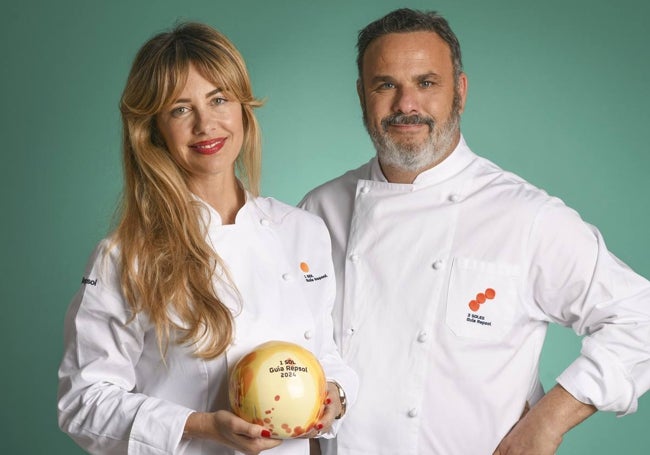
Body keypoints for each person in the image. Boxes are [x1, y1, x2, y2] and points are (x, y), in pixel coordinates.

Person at [299, 8, 650, 455]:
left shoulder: (525, 216)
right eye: (386, 84)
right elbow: (295, 350)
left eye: (427, 83)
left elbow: (641, 316)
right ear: (361, 95)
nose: (406, 104)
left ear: (459, 92)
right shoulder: (318, 211)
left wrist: (546, 423)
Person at [57, 22, 357, 455]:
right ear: (154, 130)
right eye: (180, 109)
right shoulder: (128, 256)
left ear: (242, 109)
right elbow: (82, 403)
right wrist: (202, 426)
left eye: (219, 99)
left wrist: (336, 396)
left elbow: (324, 354)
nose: (205, 124)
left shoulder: (301, 231)